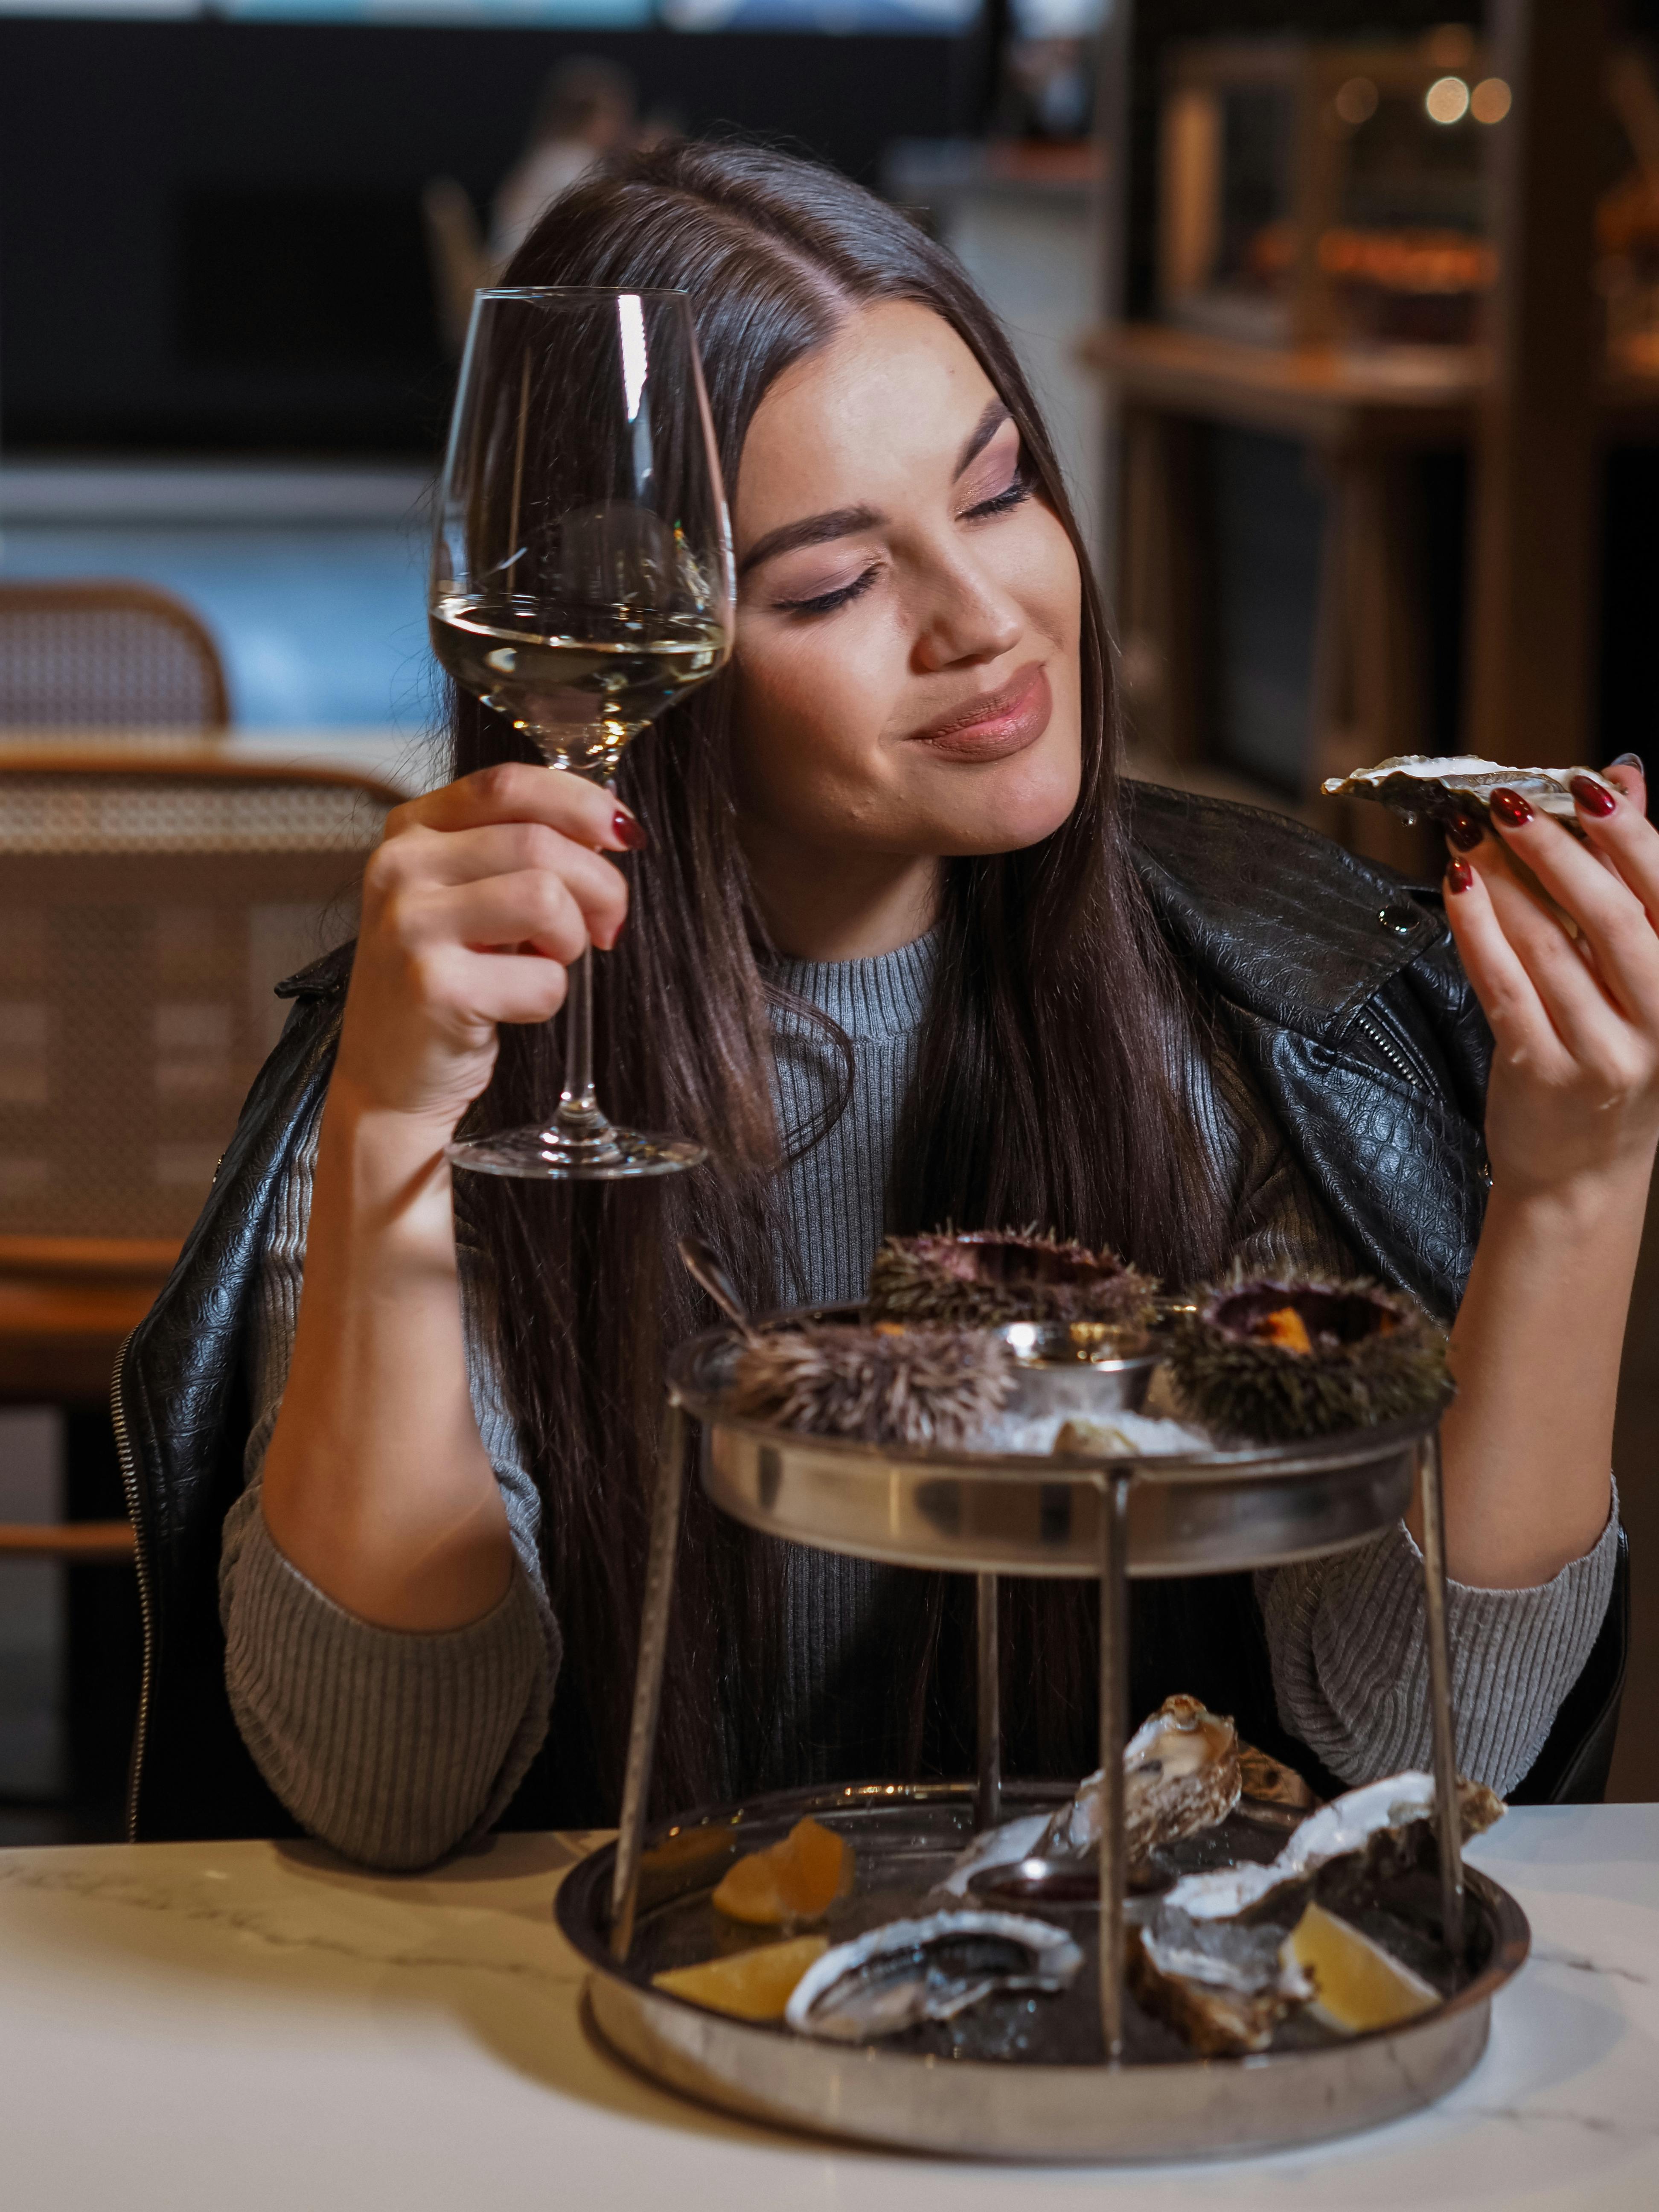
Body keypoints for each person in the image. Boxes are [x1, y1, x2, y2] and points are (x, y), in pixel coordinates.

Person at [206, 144, 1638, 1871]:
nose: (986, 621)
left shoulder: (1275, 1020)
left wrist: (1575, 1182)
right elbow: (387, 1789)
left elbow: (1429, 1747)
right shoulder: (459, 1045)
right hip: (572, 2041)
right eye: (832, 582)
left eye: (1000, 488)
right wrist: (385, 1143)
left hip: (1136, 2057)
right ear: (637, 641)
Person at [489, 60, 638, 266]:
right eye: (614, 115)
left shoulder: (548, 157)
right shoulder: (573, 165)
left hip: (517, 272)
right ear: (592, 119)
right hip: (535, 279)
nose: (622, 126)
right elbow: (608, 235)